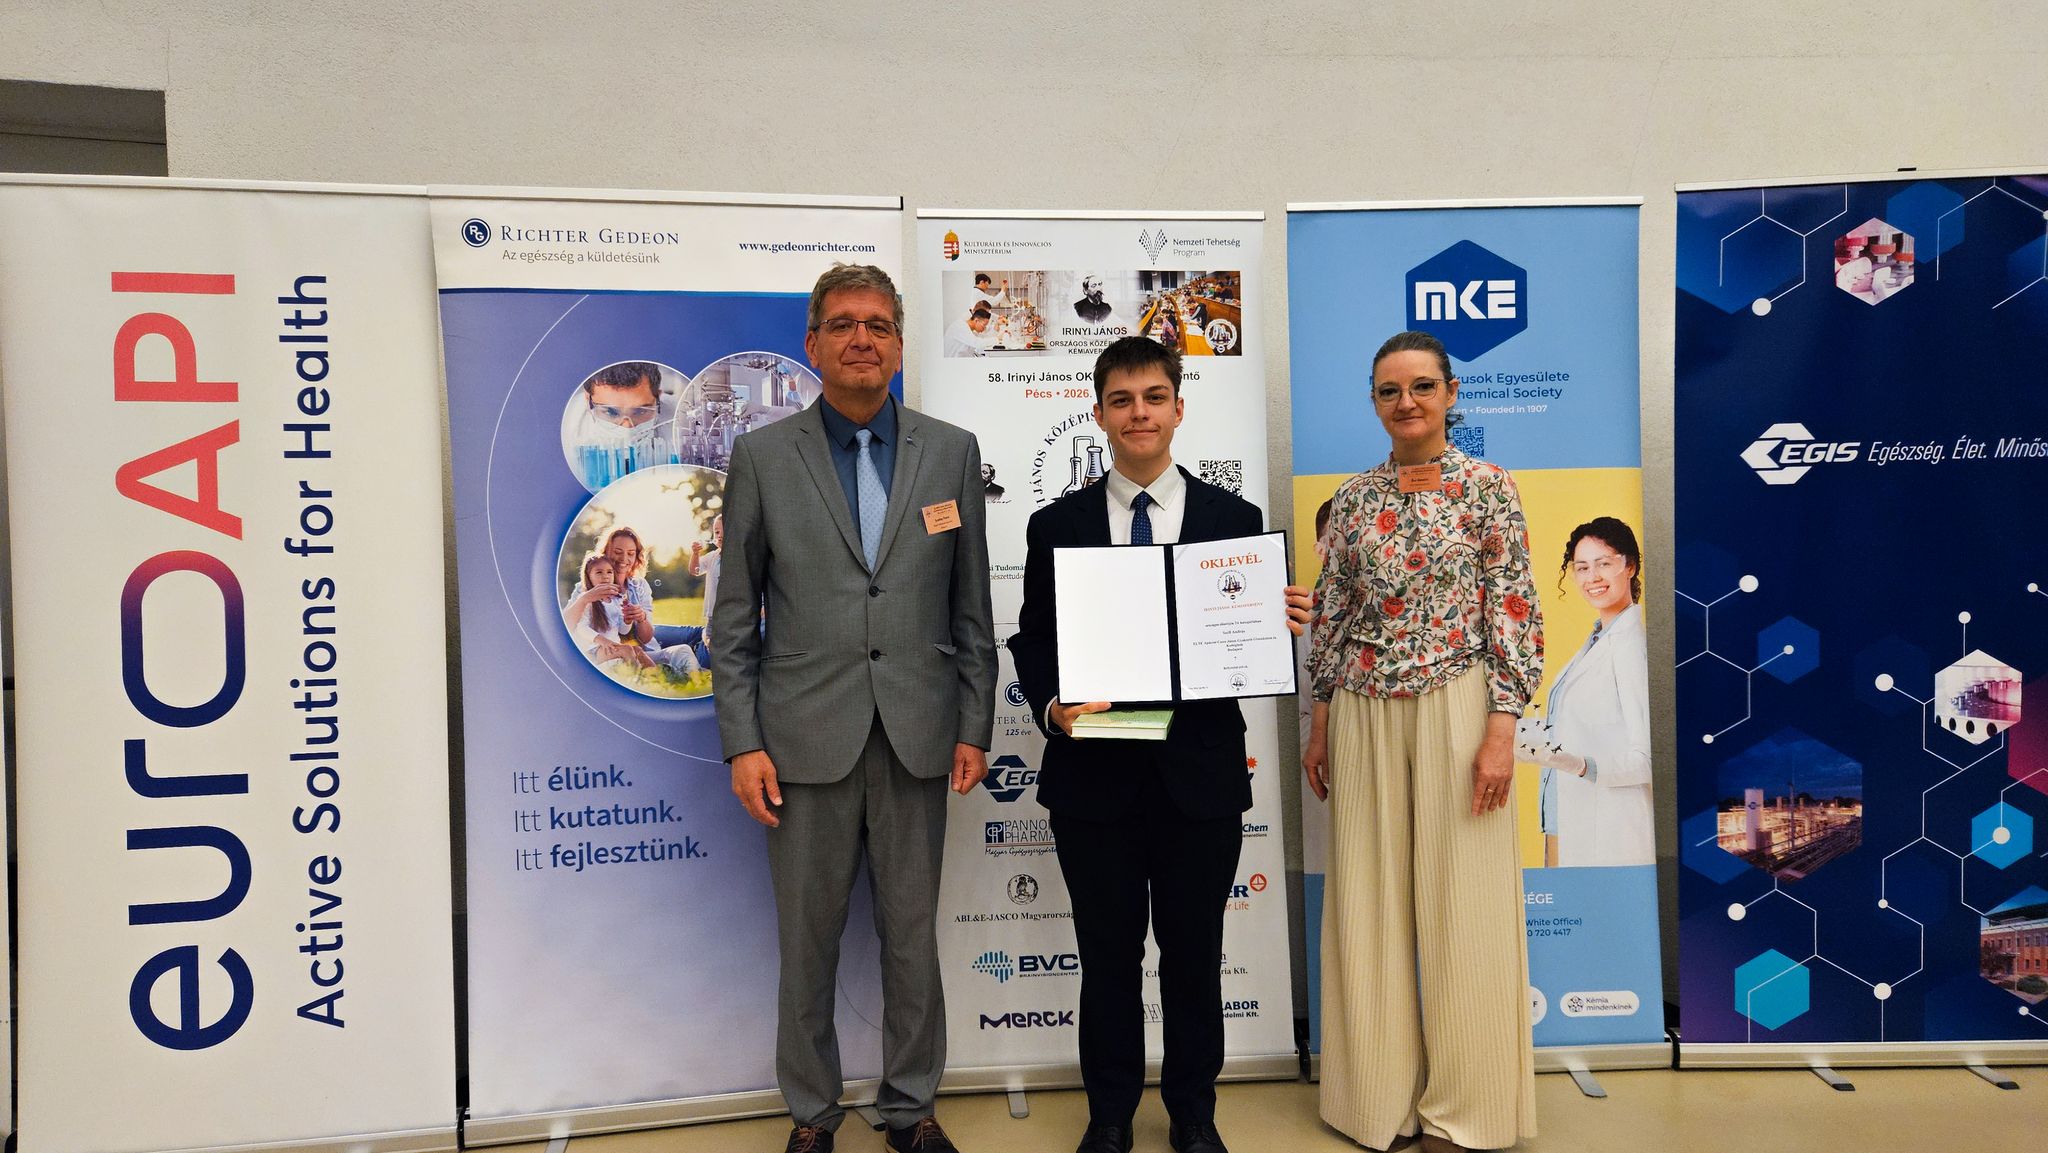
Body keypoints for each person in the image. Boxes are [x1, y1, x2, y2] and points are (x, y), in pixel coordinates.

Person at [713, 263, 996, 1153]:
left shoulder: (951, 452)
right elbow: (733, 617)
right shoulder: (763, 457)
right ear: (813, 344)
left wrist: (974, 723)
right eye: (842, 324)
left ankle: (912, 1109)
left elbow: (972, 605)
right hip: (801, 740)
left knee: (912, 939)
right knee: (809, 943)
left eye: (878, 324)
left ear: (900, 345)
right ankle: (812, 1113)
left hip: (918, 732)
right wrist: (742, 742)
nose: (861, 339)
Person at [1009, 336, 1310, 1153]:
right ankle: (1109, 1115)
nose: (1137, 413)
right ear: (1098, 412)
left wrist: (1271, 628)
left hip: (1199, 777)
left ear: (1178, 408)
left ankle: (1193, 1113)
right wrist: (1053, 706)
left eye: (1152, 397)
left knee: (1193, 957)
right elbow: (1034, 639)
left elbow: (1245, 639)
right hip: (1093, 776)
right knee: (1107, 958)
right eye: (1121, 399)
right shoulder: (1055, 524)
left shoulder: (1234, 521)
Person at [1303, 330, 1542, 1153]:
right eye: (1389, 390)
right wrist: (1321, 719)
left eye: (1421, 386)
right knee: (1366, 903)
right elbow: (1333, 614)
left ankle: (1465, 1112)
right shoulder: (1353, 499)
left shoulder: (1489, 488)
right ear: (1374, 402)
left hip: (1458, 703)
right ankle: (1376, 1101)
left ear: (1450, 394)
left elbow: (1514, 606)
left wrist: (1503, 726)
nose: (1405, 402)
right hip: (1362, 707)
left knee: (1463, 905)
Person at [1523, 517, 1652, 868]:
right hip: (1563, 821)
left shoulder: (1632, 646)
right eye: (1581, 568)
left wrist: (1580, 765)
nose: (1592, 577)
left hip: (1607, 830)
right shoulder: (1597, 640)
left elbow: (1648, 758)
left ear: (1630, 566)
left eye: (1604, 564)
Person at [689, 514, 724, 656]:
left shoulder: (738, 558)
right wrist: (695, 554)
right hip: (712, 614)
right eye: (717, 532)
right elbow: (694, 570)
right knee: (711, 643)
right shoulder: (712, 557)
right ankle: (703, 646)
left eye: (725, 531)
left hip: (730, 613)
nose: (720, 536)